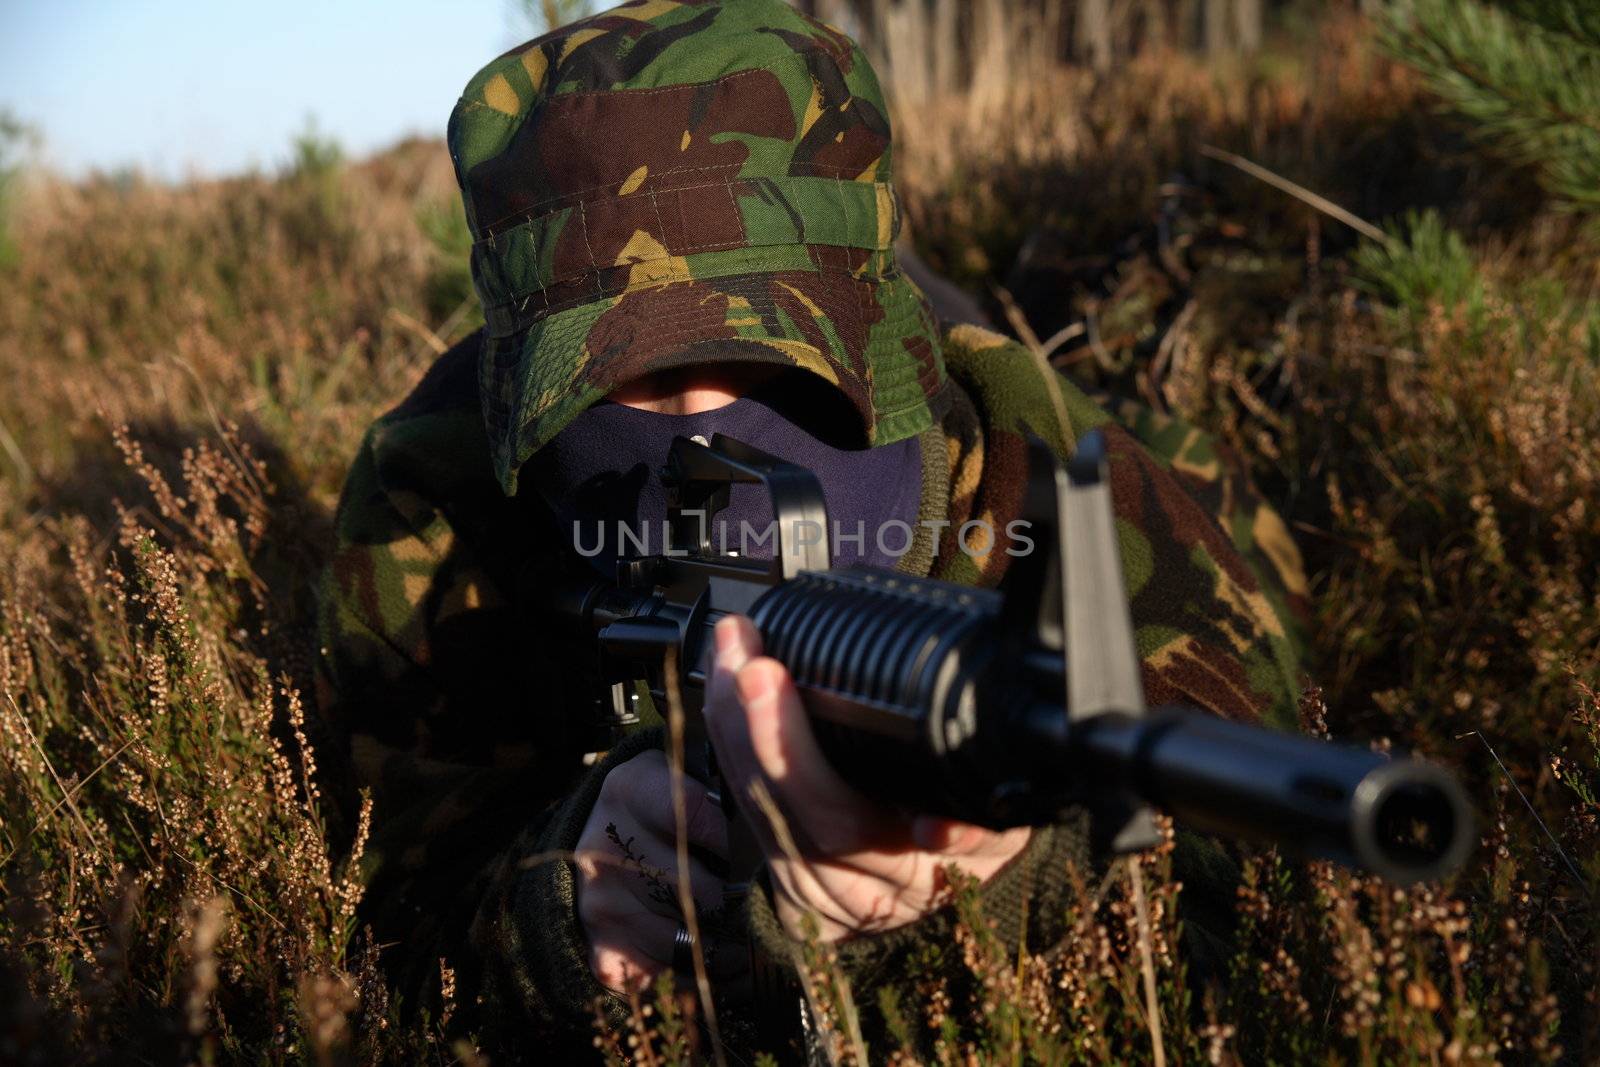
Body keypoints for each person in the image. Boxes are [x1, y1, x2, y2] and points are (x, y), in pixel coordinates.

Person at [315, 0, 1308, 1059]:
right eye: (624, 377)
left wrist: (1011, 891)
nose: (705, 426)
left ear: (873, 347)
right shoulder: (434, 499)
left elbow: (1261, 905)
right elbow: (384, 902)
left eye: (767, 362)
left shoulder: (1063, 480)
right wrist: (551, 925)